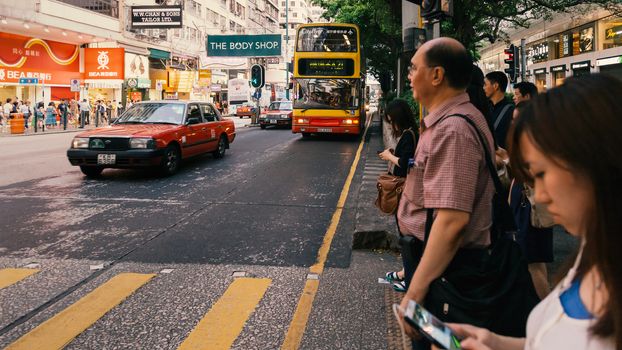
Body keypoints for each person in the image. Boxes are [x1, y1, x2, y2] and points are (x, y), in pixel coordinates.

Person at [451, 74, 621, 350]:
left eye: (541, 173)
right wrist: (497, 343)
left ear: (597, 162)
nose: (539, 194)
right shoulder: (593, 251)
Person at [396, 37, 494, 349]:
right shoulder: (450, 122)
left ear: (437, 75)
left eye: (414, 69)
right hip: (438, 267)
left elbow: (451, 223)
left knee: (440, 344)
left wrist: (414, 293)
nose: (409, 76)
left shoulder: (453, 131)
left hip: (447, 274)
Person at [378, 99, 418, 293]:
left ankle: (410, 279)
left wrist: (389, 156)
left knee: (405, 235)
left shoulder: (409, 135)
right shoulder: (410, 133)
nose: (391, 124)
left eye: (392, 120)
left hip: (405, 189)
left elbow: (407, 162)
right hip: (407, 188)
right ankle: (405, 272)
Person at [483, 71, 514, 149]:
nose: (483, 88)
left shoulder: (511, 111)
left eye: (485, 84)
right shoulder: (484, 107)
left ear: (495, 86)